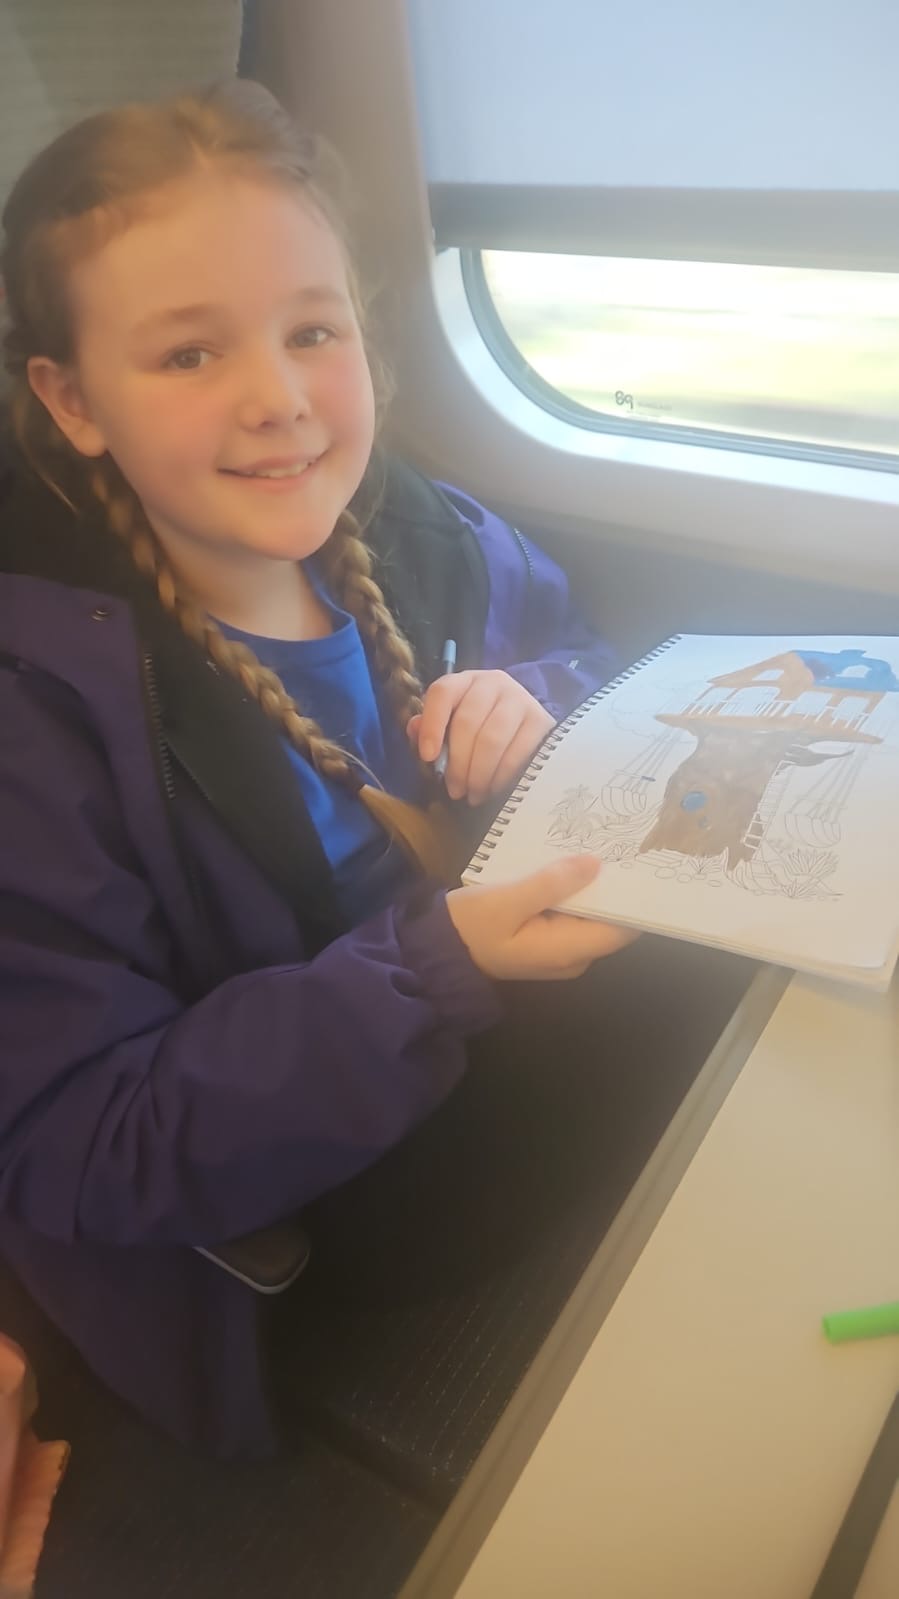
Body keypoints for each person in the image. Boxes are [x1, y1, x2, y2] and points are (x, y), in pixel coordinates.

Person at [0, 80, 632, 1457]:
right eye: (188, 355)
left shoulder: (424, 532)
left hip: (493, 1057)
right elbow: (87, 1142)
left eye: (312, 332)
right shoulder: (43, 713)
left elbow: (590, 661)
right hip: (302, 1226)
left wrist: (538, 704)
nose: (280, 402)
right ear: (74, 399)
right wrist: (430, 970)